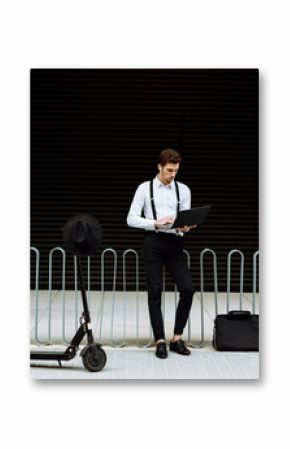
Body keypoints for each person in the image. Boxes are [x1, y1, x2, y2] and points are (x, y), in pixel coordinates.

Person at [127, 149, 197, 359]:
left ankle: (176, 338)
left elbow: (184, 217)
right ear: (159, 166)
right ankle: (159, 340)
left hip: (175, 242)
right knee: (155, 291)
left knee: (188, 288)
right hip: (153, 242)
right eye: (169, 170)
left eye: (176, 170)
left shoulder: (183, 190)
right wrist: (155, 222)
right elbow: (130, 218)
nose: (172, 174)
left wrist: (184, 227)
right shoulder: (144, 188)